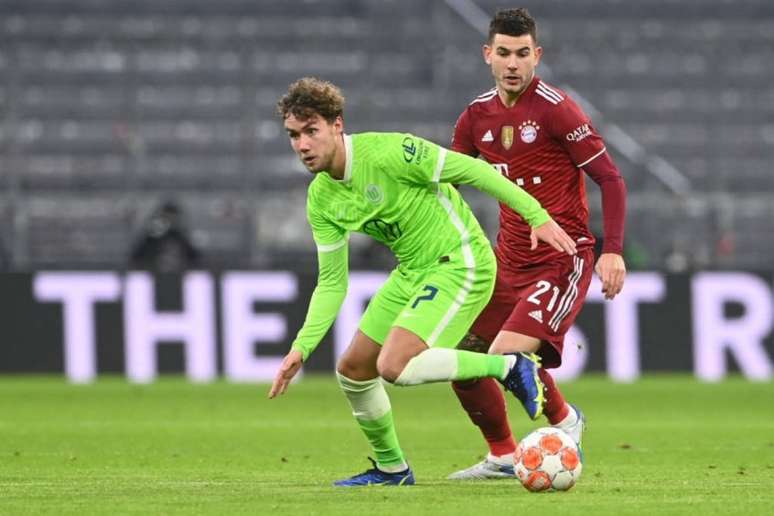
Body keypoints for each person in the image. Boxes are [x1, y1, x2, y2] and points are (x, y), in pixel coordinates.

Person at [268, 77, 577, 486]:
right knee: (354, 370)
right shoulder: (322, 198)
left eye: (312, 131)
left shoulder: (391, 151)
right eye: (294, 135)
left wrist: (535, 214)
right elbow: (332, 283)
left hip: (460, 261)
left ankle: (509, 366)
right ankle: (391, 469)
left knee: (395, 365)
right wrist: (301, 347)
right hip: (413, 271)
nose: (303, 145)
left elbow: (472, 169)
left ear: (337, 125)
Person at [447, 8, 627, 480]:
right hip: (505, 262)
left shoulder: (556, 109)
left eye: (522, 54)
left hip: (560, 260)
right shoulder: (474, 118)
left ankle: (566, 420)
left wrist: (613, 250)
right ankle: (503, 456)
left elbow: (609, 178)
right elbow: (447, 187)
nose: (513, 63)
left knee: (504, 352)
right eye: (503, 53)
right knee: (460, 357)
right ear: (488, 55)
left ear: (537, 56)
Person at [130, 200, 201, 272]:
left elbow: (195, 258)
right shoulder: (152, 238)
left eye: (172, 217)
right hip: (154, 274)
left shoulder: (180, 237)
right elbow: (137, 257)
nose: (170, 221)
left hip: (178, 275)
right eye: (166, 216)